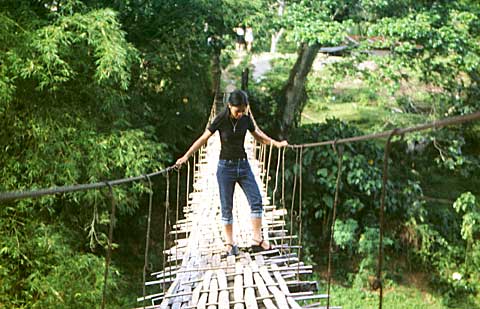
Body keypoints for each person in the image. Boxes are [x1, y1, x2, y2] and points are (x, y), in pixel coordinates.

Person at [176, 90, 288, 256]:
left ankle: (257, 240)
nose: (241, 114)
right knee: (226, 207)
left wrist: (276, 144)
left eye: (243, 110)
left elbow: (258, 136)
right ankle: (230, 244)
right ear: (229, 106)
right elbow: (203, 139)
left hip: (243, 166)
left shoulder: (245, 119)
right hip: (225, 168)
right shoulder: (221, 118)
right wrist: (186, 156)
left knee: (256, 200)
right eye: (238, 111)